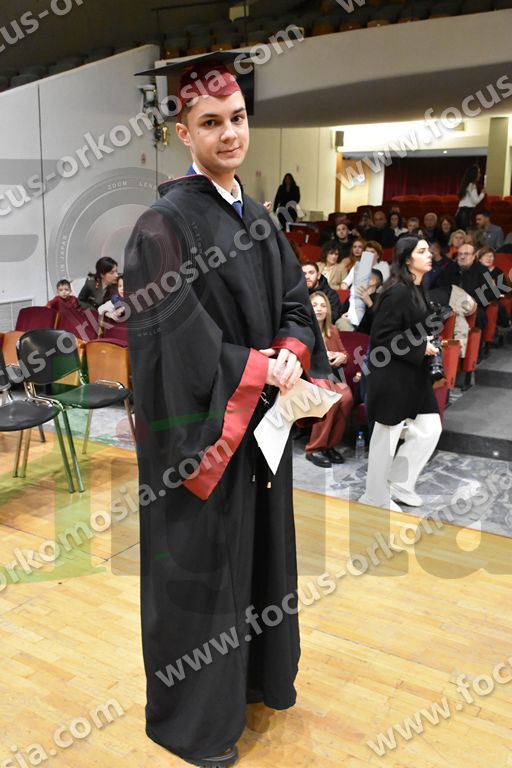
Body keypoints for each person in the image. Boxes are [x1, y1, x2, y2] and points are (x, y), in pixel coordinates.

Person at [124, 53, 334, 768]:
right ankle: (195, 724)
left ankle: (253, 682)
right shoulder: (161, 227)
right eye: (210, 122)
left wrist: (291, 351)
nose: (229, 134)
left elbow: (297, 305)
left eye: (238, 118)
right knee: (205, 577)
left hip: (259, 434)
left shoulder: (261, 219)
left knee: (258, 561)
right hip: (206, 441)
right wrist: (256, 368)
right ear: (183, 132)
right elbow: (171, 347)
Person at [359, 237, 442, 511]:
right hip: (390, 375)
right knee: (386, 437)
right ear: (407, 259)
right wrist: (421, 346)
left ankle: (399, 484)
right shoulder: (397, 292)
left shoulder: (418, 288)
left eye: (428, 250)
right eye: (422, 251)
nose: (429, 255)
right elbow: (382, 337)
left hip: (413, 374)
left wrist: (429, 338)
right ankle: (374, 496)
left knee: (430, 429)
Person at [306, 292, 354, 467]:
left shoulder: (332, 330)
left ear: (327, 309)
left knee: (347, 397)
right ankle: (314, 448)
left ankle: (329, 445)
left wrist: (342, 357)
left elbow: (345, 355)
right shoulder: (303, 330)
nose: (319, 309)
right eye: (315, 305)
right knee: (329, 398)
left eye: (323, 305)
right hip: (308, 378)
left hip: (330, 377)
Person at [436, 242, 491, 330]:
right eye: (460, 254)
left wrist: (472, 302)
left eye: (466, 254)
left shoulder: (483, 271)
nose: (462, 257)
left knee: (479, 316)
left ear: (473, 256)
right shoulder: (450, 269)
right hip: (450, 306)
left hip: (473, 307)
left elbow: (490, 293)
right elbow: (441, 288)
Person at [455, 164, 485, 231]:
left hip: (461, 211)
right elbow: (475, 201)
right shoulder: (471, 185)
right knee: (466, 232)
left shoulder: (466, 184)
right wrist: (482, 193)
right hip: (466, 212)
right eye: (478, 172)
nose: (480, 174)